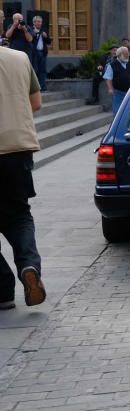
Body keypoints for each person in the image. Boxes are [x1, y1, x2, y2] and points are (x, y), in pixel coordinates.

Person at [0, 43, 47, 310]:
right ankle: (29, 265)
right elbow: (36, 103)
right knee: (19, 215)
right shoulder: (20, 58)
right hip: (18, 149)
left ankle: (3, 290)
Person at [28, 16, 51, 90]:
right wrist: (35, 35)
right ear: (34, 22)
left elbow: (49, 41)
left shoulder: (44, 30)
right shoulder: (30, 29)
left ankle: (43, 87)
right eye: (38, 21)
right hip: (35, 53)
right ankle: (36, 88)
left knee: (43, 70)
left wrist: (46, 37)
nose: (39, 23)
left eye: (40, 22)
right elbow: (29, 40)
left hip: (43, 52)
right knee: (35, 70)